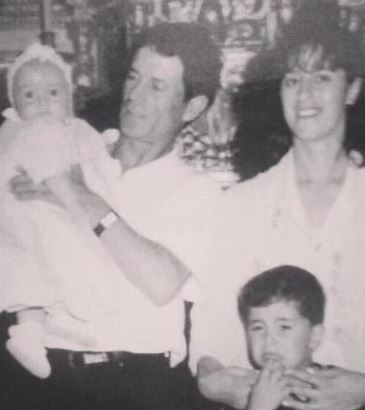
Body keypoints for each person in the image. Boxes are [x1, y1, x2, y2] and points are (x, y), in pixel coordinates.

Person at [7, 22, 222, 410]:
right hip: (42, 373)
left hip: (136, 385)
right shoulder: (75, 150)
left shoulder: (198, 190)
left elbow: (161, 281)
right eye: (133, 78)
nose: (134, 95)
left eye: (156, 86)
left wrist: (78, 197)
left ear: (192, 106)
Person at [190, 3, 365, 410]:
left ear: (353, 89)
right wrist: (217, 380)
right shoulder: (240, 205)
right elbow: (211, 338)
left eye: (322, 77)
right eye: (292, 79)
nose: (305, 94)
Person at [0, 42, 123, 380]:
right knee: (38, 270)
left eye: (53, 92)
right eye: (28, 94)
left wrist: (105, 148)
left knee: (52, 269)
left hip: (52, 218)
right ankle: (28, 332)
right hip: (25, 217)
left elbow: (98, 165)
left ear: (69, 99)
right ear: (14, 105)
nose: (41, 102)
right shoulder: (17, 131)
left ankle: (35, 331)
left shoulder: (77, 129)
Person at [237, 265, 326, 410]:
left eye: (284, 327)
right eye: (258, 328)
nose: (268, 339)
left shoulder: (338, 391)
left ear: (314, 336)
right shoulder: (240, 391)